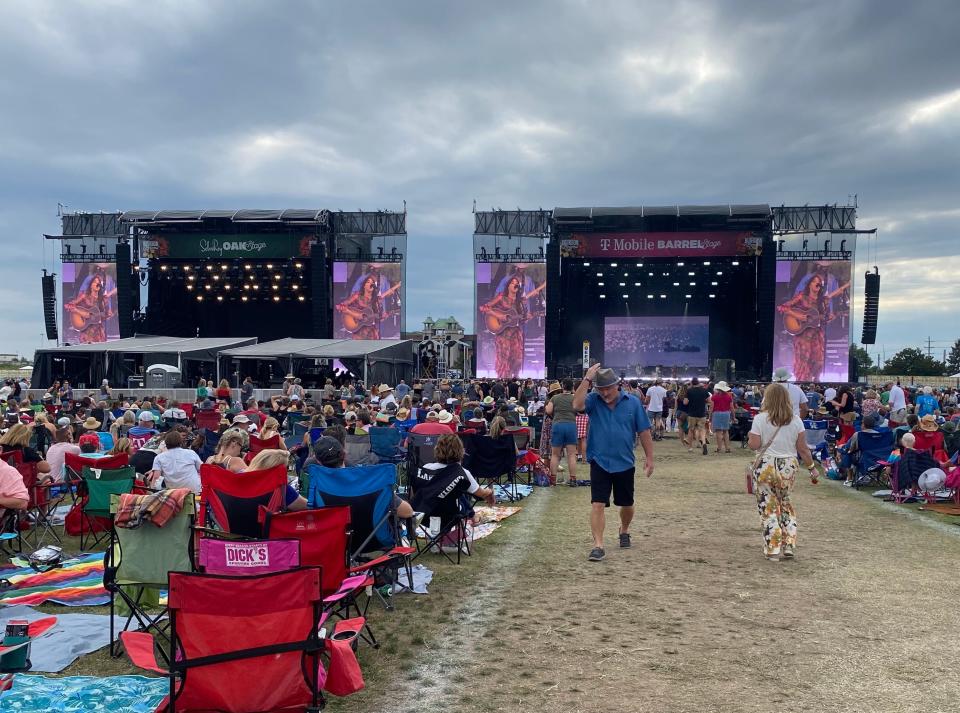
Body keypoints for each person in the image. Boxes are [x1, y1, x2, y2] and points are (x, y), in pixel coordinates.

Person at [573, 365, 654, 563]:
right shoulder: (593, 400)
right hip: (599, 460)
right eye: (601, 389)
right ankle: (598, 546)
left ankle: (624, 530)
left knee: (627, 504)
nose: (605, 392)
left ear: (618, 385)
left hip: (625, 462)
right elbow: (576, 405)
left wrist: (650, 458)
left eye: (608, 388)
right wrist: (587, 379)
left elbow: (644, 431)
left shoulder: (633, 403)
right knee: (598, 504)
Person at [747, 382, 816, 561]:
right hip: (788, 466)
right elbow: (803, 449)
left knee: (768, 507)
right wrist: (812, 468)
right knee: (786, 503)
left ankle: (773, 548)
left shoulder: (760, 419)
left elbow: (754, 445)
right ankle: (789, 544)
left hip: (765, 465)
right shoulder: (796, 420)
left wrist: (750, 439)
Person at [411, 433, 495, 529]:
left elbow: (416, 494)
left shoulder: (425, 468)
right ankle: (473, 516)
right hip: (449, 516)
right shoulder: (462, 473)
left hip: (424, 515)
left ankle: (472, 516)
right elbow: (482, 494)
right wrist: (490, 492)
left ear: (437, 449)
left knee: (453, 488)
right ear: (460, 451)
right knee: (458, 489)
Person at [776, 271, 838, 381]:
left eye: (819, 283)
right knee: (804, 359)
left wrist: (831, 317)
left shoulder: (822, 301)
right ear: (809, 284)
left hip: (817, 333)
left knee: (819, 360)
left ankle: (815, 382)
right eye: (814, 281)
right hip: (802, 334)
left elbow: (823, 318)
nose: (816, 284)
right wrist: (798, 316)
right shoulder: (801, 296)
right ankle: (803, 382)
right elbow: (782, 307)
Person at [478, 271, 537, 378]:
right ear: (508, 285)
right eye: (512, 282)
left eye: (516, 283)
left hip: (516, 333)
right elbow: (484, 308)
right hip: (503, 333)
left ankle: (515, 379)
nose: (515, 284)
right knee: (505, 357)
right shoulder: (501, 297)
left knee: (517, 358)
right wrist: (499, 316)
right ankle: (504, 380)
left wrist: (527, 317)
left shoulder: (520, 302)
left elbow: (521, 319)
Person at [545, 379, 578, 486]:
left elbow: (549, 411)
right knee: (571, 454)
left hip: (558, 425)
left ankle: (553, 479)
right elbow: (579, 410)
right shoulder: (574, 398)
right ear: (572, 387)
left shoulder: (555, 398)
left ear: (563, 386)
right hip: (571, 425)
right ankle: (573, 479)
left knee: (555, 455)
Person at [683, 378, 710, 455]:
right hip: (702, 413)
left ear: (692, 383)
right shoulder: (704, 391)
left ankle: (690, 448)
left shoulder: (689, 391)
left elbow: (685, 402)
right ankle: (704, 443)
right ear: (698, 383)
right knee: (702, 430)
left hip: (692, 413)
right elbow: (709, 400)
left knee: (691, 430)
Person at [711, 381, 734, 454]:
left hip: (717, 413)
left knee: (718, 432)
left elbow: (711, 407)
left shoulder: (714, 396)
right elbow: (732, 407)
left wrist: (710, 416)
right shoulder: (729, 396)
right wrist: (733, 416)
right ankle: (727, 448)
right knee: (725, 431)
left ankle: (719, 448)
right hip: (726, 413)